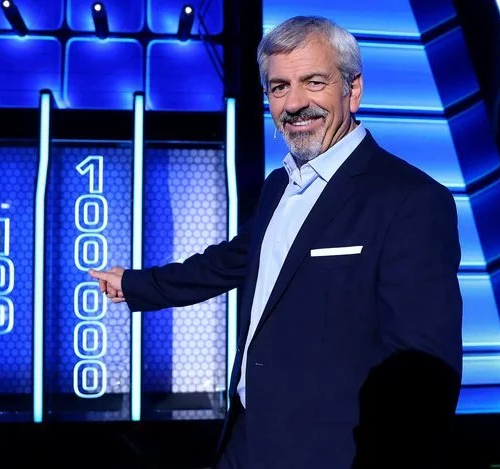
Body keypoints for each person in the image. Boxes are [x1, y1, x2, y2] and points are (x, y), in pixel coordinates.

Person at [90, 15, 463, 469]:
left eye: (314, 82)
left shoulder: (410, 200)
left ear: (353, 89)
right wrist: (136, 284)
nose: (295, 103)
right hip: (246, 438)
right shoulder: (278, 185)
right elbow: (229, 262)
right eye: (279, 87)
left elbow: (424, 374)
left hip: (331, 455)